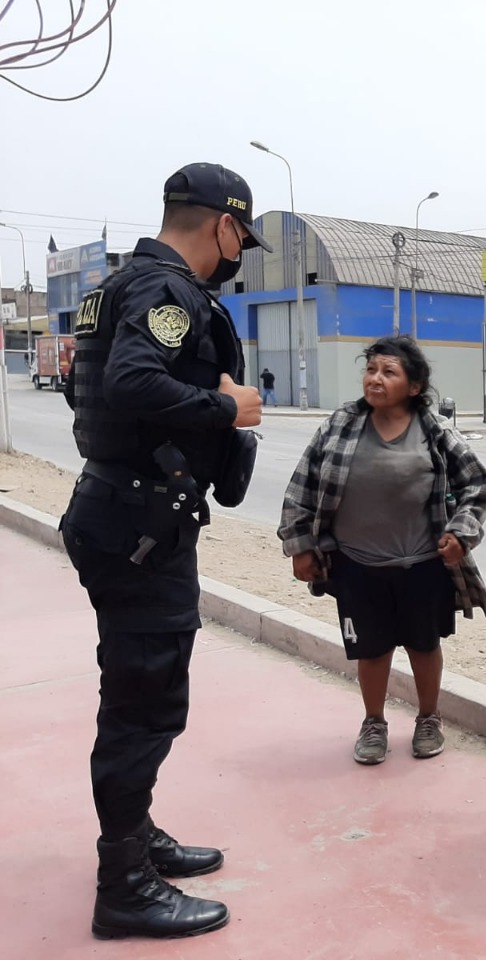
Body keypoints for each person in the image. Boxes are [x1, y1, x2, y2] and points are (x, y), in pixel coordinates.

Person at [59, 163, 267, 940]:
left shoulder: (116, 287)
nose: (238, 253)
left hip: (120, 512)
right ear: (223, 225)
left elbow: (95, 391)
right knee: (144, 705)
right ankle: (123, 886)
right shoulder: (166, 291)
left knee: (135, 690)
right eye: (241, 238)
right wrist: (226, 407)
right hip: (141, 526)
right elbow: (131, 382)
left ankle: (136, 837)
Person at [279, 336, 486, 765]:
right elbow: (302, 487)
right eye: (371, 370)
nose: (375, 379)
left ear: (414, 386)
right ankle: (374, 723)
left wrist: (461, 533)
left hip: (422, 564)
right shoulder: (339, 426)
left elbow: (476, 484)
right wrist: (300, 547)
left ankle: (429, 719)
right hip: (356, 564)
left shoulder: (435, 431)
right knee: (371, 650)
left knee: (423, 645)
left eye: (388, 372)